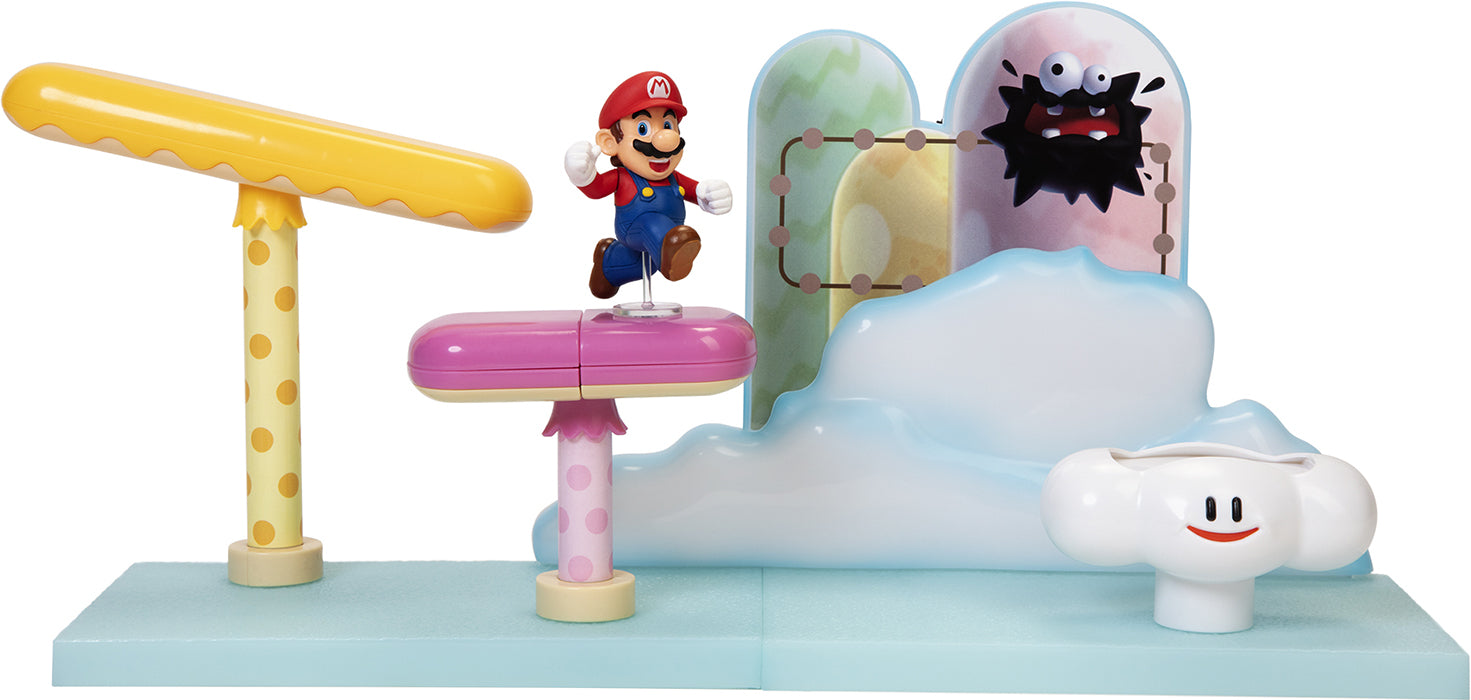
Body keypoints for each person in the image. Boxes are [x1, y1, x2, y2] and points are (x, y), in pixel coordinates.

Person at [565, 71, 732, 299]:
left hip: (667, 237)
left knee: (648, 264)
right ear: (610, 142)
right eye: (643, 128)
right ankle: (669, 247)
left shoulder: (674, 177)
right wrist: (582, 175)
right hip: (635, 227)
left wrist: (708, 194)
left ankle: (608, 263)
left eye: (668, 125)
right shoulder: (622, 177)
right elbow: (596, 188)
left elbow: (694, 191)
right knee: (652, 223)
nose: (666, 141)